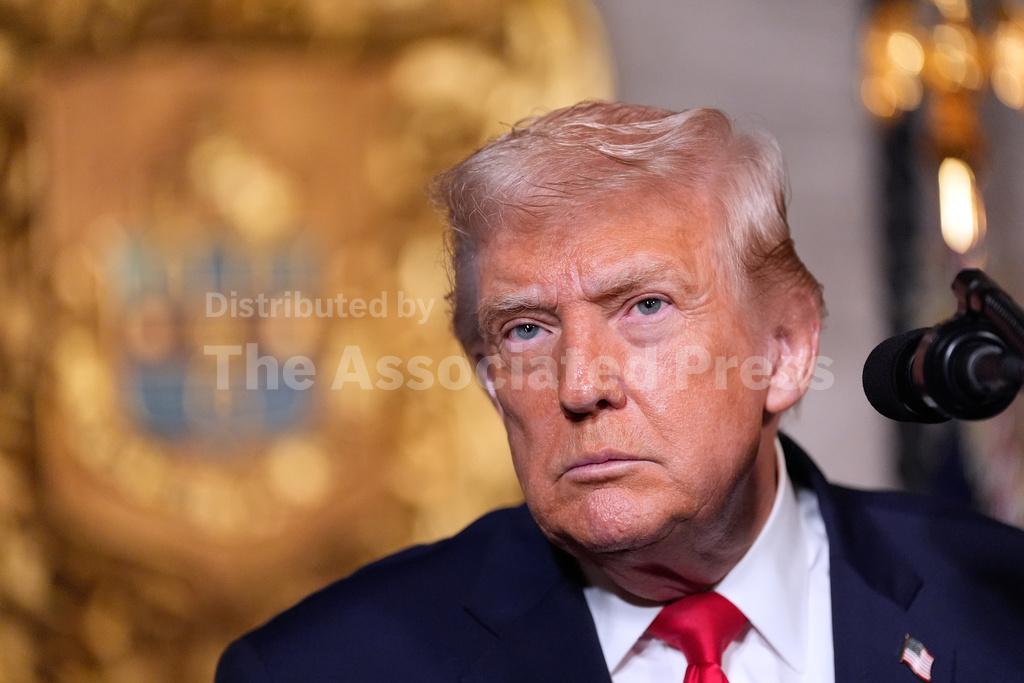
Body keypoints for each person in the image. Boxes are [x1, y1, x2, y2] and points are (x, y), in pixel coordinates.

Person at [215, 102, 1024, 682]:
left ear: (783, 352)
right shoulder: (320, 666)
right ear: (491, 381)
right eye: (525, 329)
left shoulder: (1000, 603)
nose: (580, 385)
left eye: (645, 308)